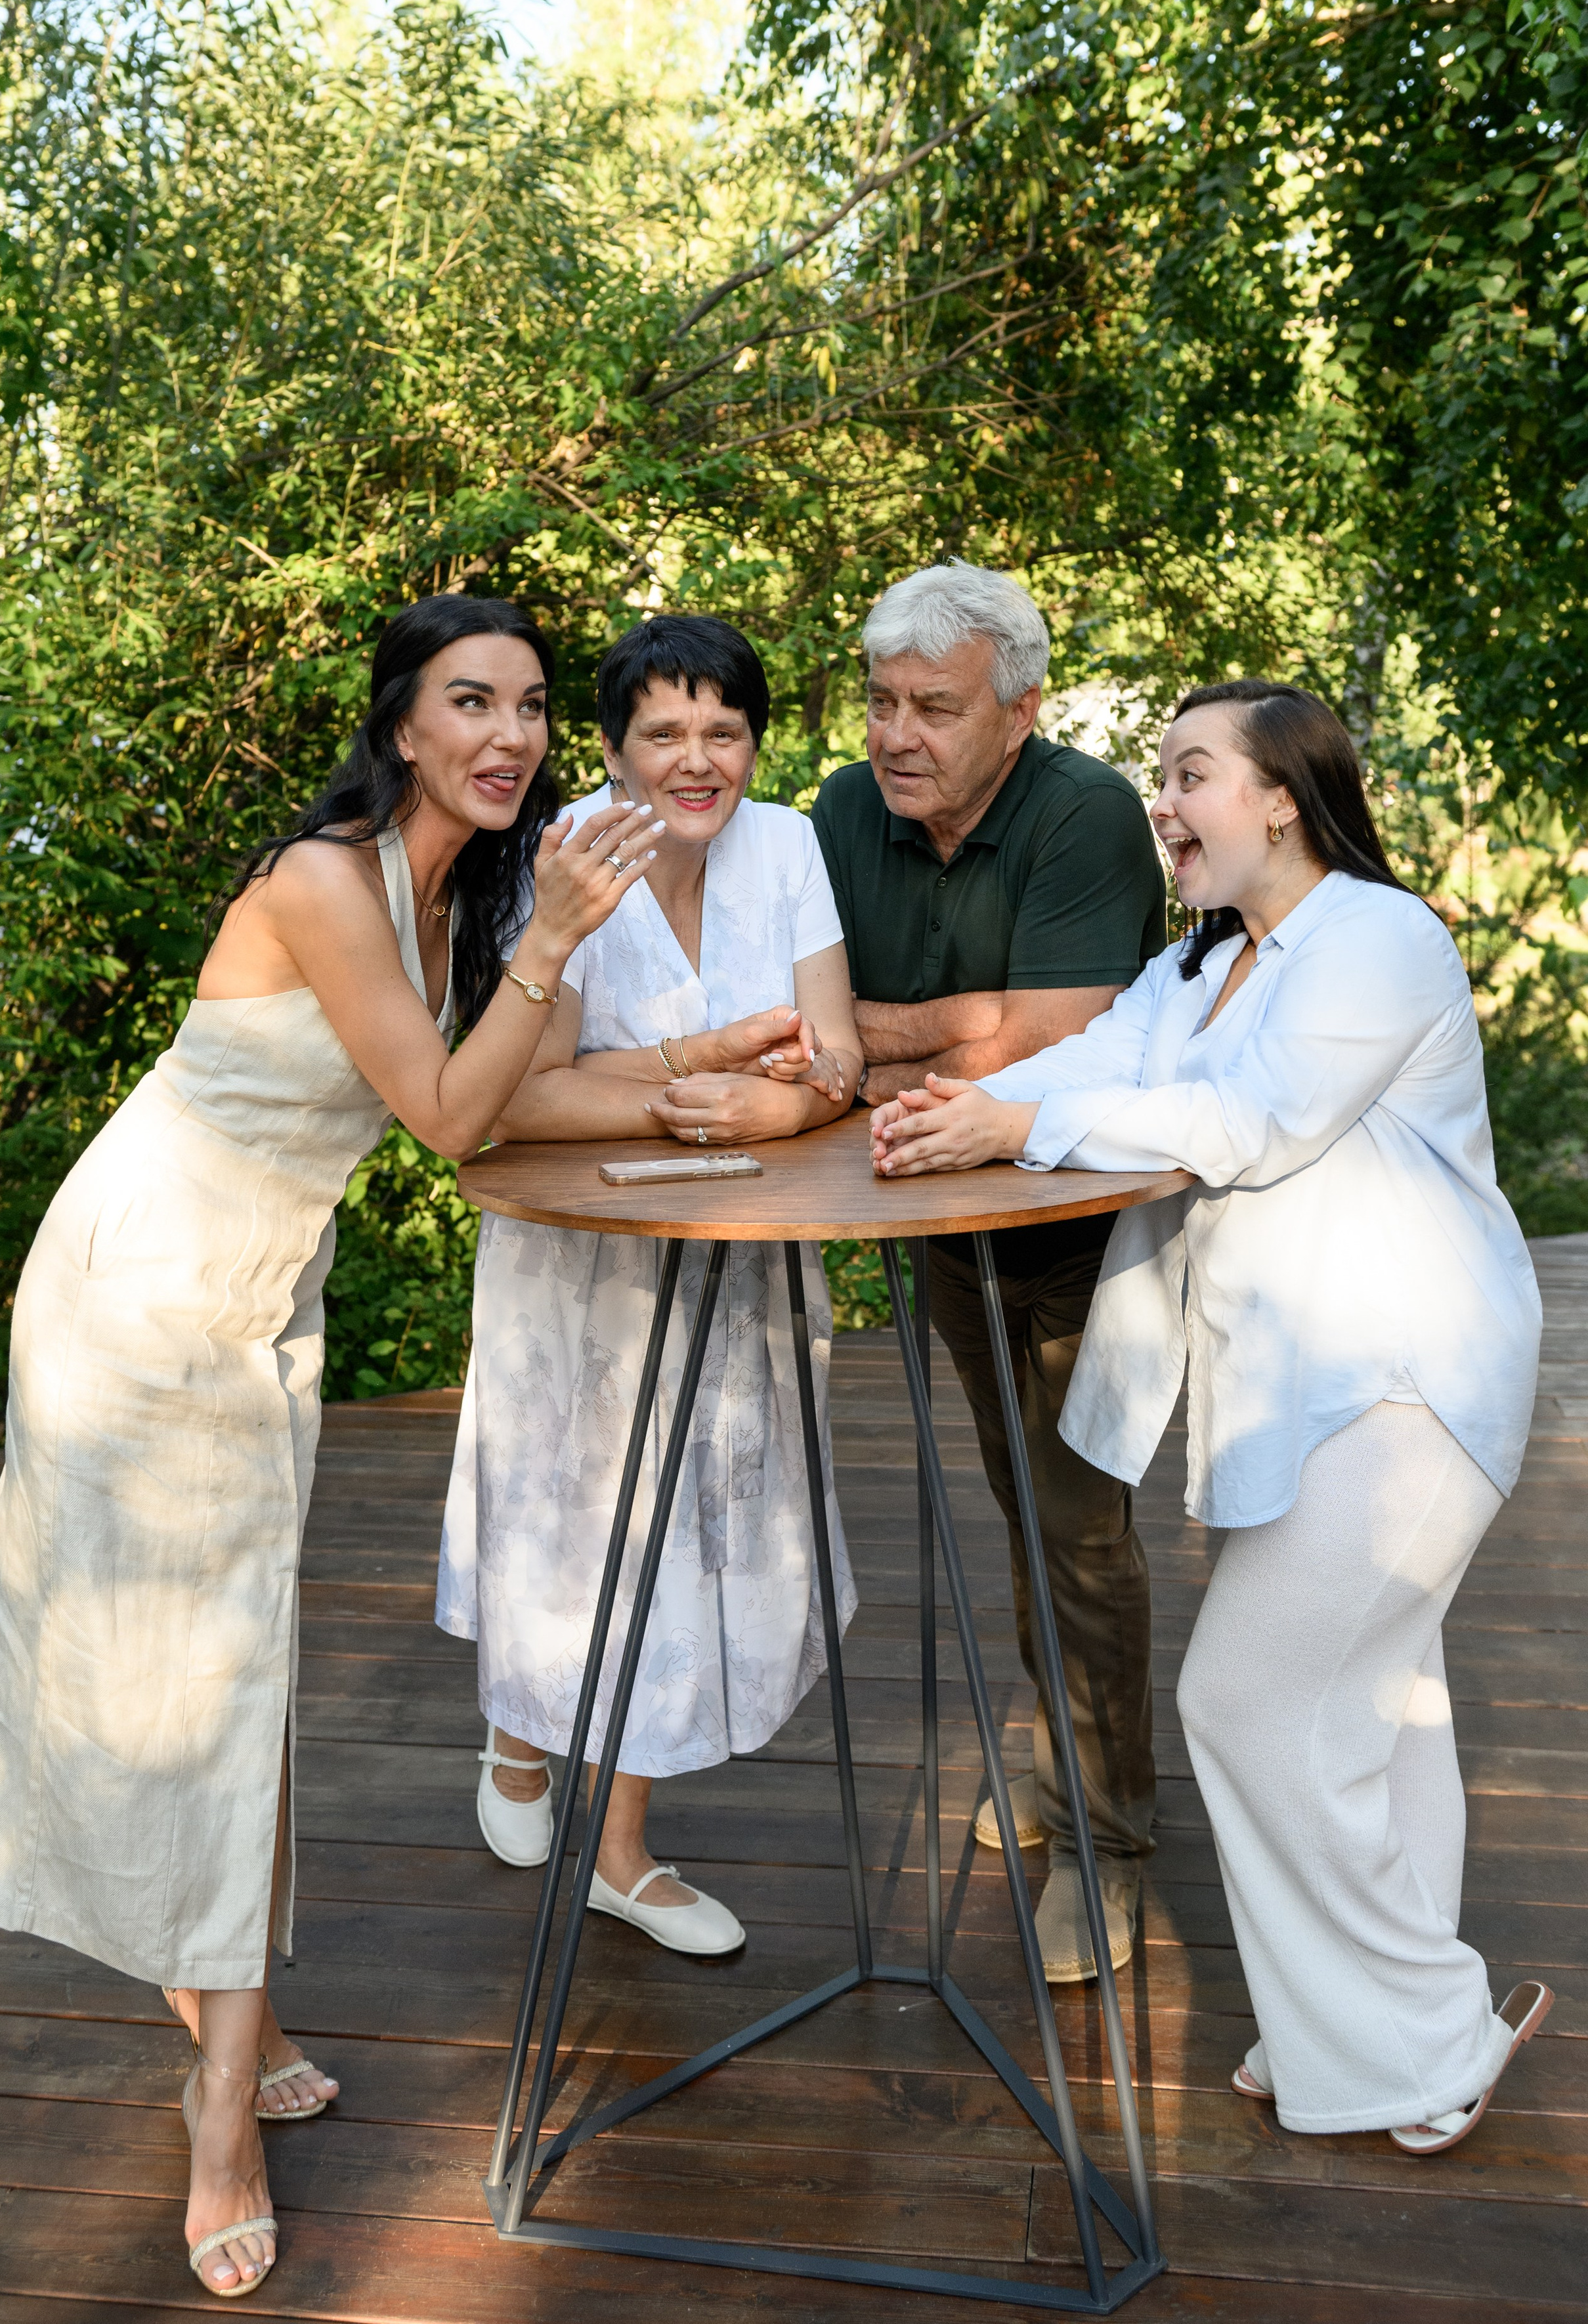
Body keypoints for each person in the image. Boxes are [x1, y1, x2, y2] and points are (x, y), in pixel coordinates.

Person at [0, 595, 663, 2298]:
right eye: (471, 701)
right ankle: (222, 2110)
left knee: (214, 1683)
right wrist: (554, 942)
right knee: (206, 1685)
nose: (512, 734)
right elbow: (453, 1117)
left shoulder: (460, 899)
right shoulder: (328, 883)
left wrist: (694, 1075)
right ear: (402, 726)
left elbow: (501, 1099)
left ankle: (224, 2014)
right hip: (142, 1295)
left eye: (533, 706)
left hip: (255, 1301)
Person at [870, 678, 1551, 2152]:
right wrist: (960, 1105)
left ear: (1282, 801)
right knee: (1380, 1714)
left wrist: (1015, 1124)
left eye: (1189, 775)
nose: (1161, 804)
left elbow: (1250, 1124)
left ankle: (1431, 2029)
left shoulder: (1378, 938)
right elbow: (1093, 1065)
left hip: (1404, 1378)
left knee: (1243, 1699)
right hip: (1303, 1391)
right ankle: (1357, 2036)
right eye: (1159, 775)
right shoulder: (1200, 967)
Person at [437, 614, 864, 1957]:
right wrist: (708, 1078)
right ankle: (521, 1733)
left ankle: (619, 1855)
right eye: (664, 733)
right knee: (571, 1525)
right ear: (613, 751)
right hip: (581, 1263)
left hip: (740, 1255)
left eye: (724, 732)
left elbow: (835, 1051)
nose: (697, 760)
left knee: (678, 1542)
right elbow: (516, 1102)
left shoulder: (787, 846)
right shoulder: (562, 857)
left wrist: (786, 1108)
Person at [812, 560, 1166, 1983]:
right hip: (942, 1216)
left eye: (934, 708)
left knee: (1077, 1524)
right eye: (882, 701)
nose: (896, 735)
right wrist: (966, 1028)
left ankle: (1105, 1842)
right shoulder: (845, 810)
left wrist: (890, 1035)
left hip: (1081, 1222)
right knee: (1020, 1499)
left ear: (1016, 713)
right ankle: (1057, 1760)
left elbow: (1061, 1036)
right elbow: (807, 1022)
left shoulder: (1084, 812)